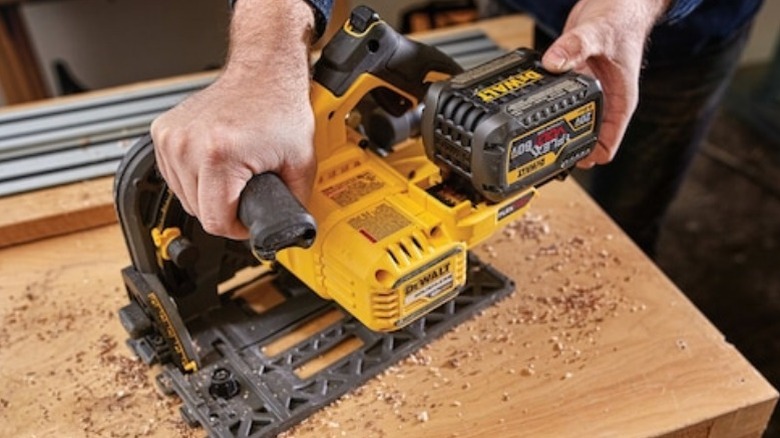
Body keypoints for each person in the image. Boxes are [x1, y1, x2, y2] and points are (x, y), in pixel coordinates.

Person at [151, 0, 763, 256]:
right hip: (533, 7)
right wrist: (268, 52)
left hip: (681, 26)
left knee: (628, 214)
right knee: (470, 81)